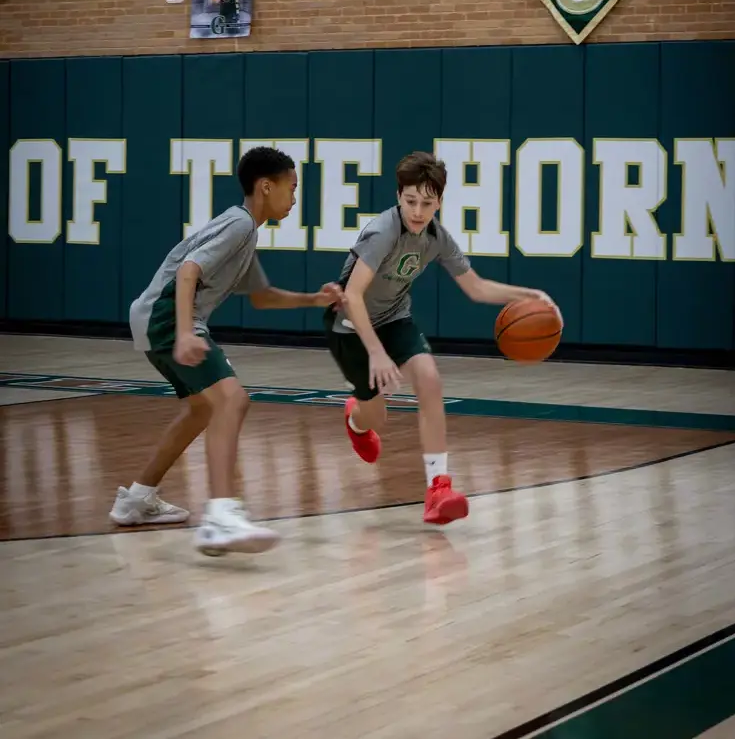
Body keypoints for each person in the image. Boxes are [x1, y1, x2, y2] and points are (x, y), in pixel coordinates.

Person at [110, 146, 343, 556]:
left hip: (154, 317)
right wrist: (185, 331)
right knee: (233, 400)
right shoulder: (239, 226)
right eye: (292, 188)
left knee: (203, 408)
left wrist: (314, 299)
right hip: (167, 316)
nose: (293, 199)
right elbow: (188, 271)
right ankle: (219, 515)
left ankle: (137, 499)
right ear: (265, 186)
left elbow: (263, 297)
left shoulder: (245, 231)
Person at [324, 150, 559, 526]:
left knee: (430, 379)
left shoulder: (437, 237)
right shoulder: (382, 231)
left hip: (394, 318)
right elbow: (352, 296)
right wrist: (377, 354)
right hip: (351, 326)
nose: (418, 211)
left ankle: (438, 488)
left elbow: (477, 288)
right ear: (398, 196)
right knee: (375, 414)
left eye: (428, 203)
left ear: (440, 202)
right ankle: (356, 418)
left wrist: (528, 296)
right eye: (411, 201)